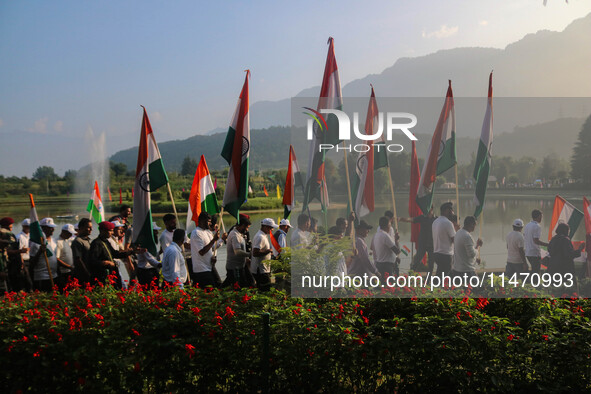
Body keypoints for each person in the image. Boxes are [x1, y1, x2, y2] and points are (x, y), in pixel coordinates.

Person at [88, 221, 130, 287]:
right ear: (102, 231)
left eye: (112, 231)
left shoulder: (105, 241)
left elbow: (115, 254)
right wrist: (105, 262)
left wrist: (129, 252)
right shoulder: (96, 243)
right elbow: (92, 261)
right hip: (102, 276)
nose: (112, 233)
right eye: (110, 231)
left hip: (110, 274)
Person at [190, 212, 225, 289]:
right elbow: (201, 252)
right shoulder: (196, 233)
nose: (210, 223)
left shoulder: (206, 232)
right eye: (208, 221)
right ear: (202, 221)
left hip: (209, 266)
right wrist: (213, 240)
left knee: (218, 285)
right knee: (210, 290)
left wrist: (221, 240)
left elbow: (211, 247)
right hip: (201, 269)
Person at [399, 207, 435, 273]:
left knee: (431, 264)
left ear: (432, 208)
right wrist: (401, 219)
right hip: (422, 244)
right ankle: (410, 276)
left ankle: (429, 279)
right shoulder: (422, 217)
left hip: (432, 244)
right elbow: (411, 219)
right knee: (416, 262)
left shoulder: (436, 219)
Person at [29, 218, 59, 292]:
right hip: (42, 278)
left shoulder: (48, 241)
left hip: (53, 276)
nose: (52, 229)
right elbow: (32, 263)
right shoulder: (35, 244)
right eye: (50, 228)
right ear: (42, 228)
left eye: (53, 227)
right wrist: (40, 251)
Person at [1, 217, 29, 292]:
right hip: (9, 265)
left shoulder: (10, 235)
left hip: (14, 264)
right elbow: (8, 251)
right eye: (10, 227)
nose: (11, 228)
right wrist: (20, 251)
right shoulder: (5, 235)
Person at [223, 216, 252, 288]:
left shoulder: (239, 234)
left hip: (239, 266)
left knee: (240, 285)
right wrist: (250, 254)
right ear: (242, 226)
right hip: (234, 267)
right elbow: (237, 252)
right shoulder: (234, 235)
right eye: (247, 227)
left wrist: (246, 258)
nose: (247, 230)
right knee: (237, 287)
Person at [250, 218, 278, 291]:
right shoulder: (260, 237)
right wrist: (268, 251)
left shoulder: (263, 235)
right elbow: (255, 253)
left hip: (263, 269)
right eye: (271, 228)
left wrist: (269, 252)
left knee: (263, 289)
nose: (272, 230)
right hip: (260, 270)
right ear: (265, 227)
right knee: (265, 289)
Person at [432, 202, 456, 275]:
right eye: (451, 210)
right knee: (445, 278)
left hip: (437, 253)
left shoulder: (435, 221)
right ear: (446, 211)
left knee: (439, 276)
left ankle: (434, 285)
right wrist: (457, 230)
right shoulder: (448, 223)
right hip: (446, 255)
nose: (453, 212)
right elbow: (455, 240)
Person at [135, 222, 162, 287]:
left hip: (152, 269)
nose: (157, 233)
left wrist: (159, 252)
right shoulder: (144, 243)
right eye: (155, 231)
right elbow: (150, 259)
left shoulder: (152, 243)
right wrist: (161, 264)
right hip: (145, 271)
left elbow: (154, 256)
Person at [523, 209, 549, 275]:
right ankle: (534, 284)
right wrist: (548, 245)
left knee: (534, 270)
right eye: (541, 217)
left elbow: (525, 236)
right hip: (534, 253)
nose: (541, 219)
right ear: (539, 216)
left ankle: (531, 283)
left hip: (528, 252)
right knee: (536, 272)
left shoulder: (527, 225)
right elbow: (536, 241)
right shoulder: (537, 226)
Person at [71, 218, 92, 284]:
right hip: (82, 274)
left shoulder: (89, 240)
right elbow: (78, 259)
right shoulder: (78, 241)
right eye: (88, 227)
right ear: (81, 228)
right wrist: (87, 273)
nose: (91, 229)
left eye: (91, 227)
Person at [56, 224, 76, 288]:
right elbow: (57, 259)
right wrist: (69, 267)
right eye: (69, 233)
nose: (70, 235)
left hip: (69, 271)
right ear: (63, 232)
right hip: (62, 272)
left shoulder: (67, 240)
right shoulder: (58, 242)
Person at [17, 218, 33, 290]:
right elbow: (19, 252)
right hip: (24, 261)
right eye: (27, 226)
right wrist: (22, 263)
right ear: (23, 226)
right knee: (27, 279)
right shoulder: (20, 237)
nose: (29, 228)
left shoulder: (30, 236)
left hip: (30, 260)